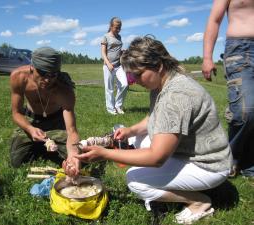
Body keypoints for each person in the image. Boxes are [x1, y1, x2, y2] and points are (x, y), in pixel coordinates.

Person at [75, 36, 233, 224]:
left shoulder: (176, 96)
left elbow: (156, 158)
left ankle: (198, 201)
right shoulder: (164, 83)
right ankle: (187, 186)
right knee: (139, 140)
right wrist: (131, 130)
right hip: (194, 152)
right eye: (130, 76)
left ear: (158, 65)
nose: (133, 80)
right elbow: (154, 118)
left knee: (135, 180)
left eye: (137, 74)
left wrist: (106, 154)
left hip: (209, 166)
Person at [202, 0, 254, 177]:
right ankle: (229, 158)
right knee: (244, 111)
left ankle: (249, 163)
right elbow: (214, 20)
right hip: (241, 50)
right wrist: (207, 57)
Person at [10, 47, 80, 176]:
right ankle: (42, 146)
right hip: (31, 120)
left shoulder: (65, 90)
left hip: (56, 121)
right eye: (42, 73)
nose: (48, 80)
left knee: (78, 157)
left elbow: (72, 131)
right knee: (17, 161)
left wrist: (74, 156)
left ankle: (45, 146)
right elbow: (16, 113)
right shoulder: (19, 77)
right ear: (32, 67)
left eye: (53, 74)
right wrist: (30, 129)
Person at [101, 17, 128, 115]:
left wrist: (122, 52)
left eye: (119, 27)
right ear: (111, 26)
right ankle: (111, 109)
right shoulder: (105, 36)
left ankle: (118, 106)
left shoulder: (119, 37)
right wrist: (108, 64)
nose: (118, 29)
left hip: (119, 65)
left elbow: (116, 50)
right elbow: (103, 52)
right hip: (108, 66)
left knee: (125, 84)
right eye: (116, 27)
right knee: (109, 88)